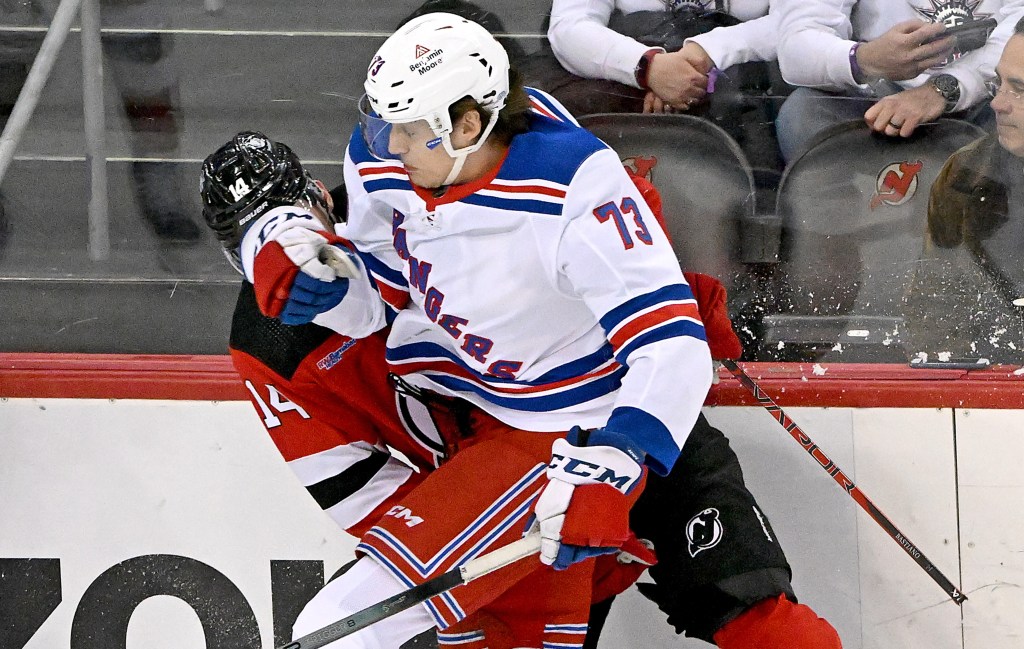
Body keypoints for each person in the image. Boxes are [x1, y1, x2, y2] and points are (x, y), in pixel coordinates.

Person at [242, 12, 840, 649]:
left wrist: (610, 465)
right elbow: (381, 296)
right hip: (507, 430)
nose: (389, 146)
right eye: (384, 125)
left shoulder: (573, 181)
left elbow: (673, 347)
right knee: (344, 630)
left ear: (467, 126)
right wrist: (330, 289)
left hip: (603, 421)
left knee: (763, 621)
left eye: (410, 131)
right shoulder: (384, 158)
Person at [543, 0, 788, 186]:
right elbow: (569, 27)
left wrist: (707, 53)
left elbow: (805, 21)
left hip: (744, 94)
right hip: (623, 92)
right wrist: (648, 68)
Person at [904, 15, 1024, 363]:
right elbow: (935, 315)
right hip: (989, 393)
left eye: (1020, 89)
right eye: (1000, 85)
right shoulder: (966, 174)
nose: (998, 104)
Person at [774, 0, 1024, 162]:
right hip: (874, 93)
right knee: (801, 116)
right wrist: (864, 59)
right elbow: (796, 44)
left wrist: (944, 87)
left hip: (987, 91)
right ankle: (840, 238)